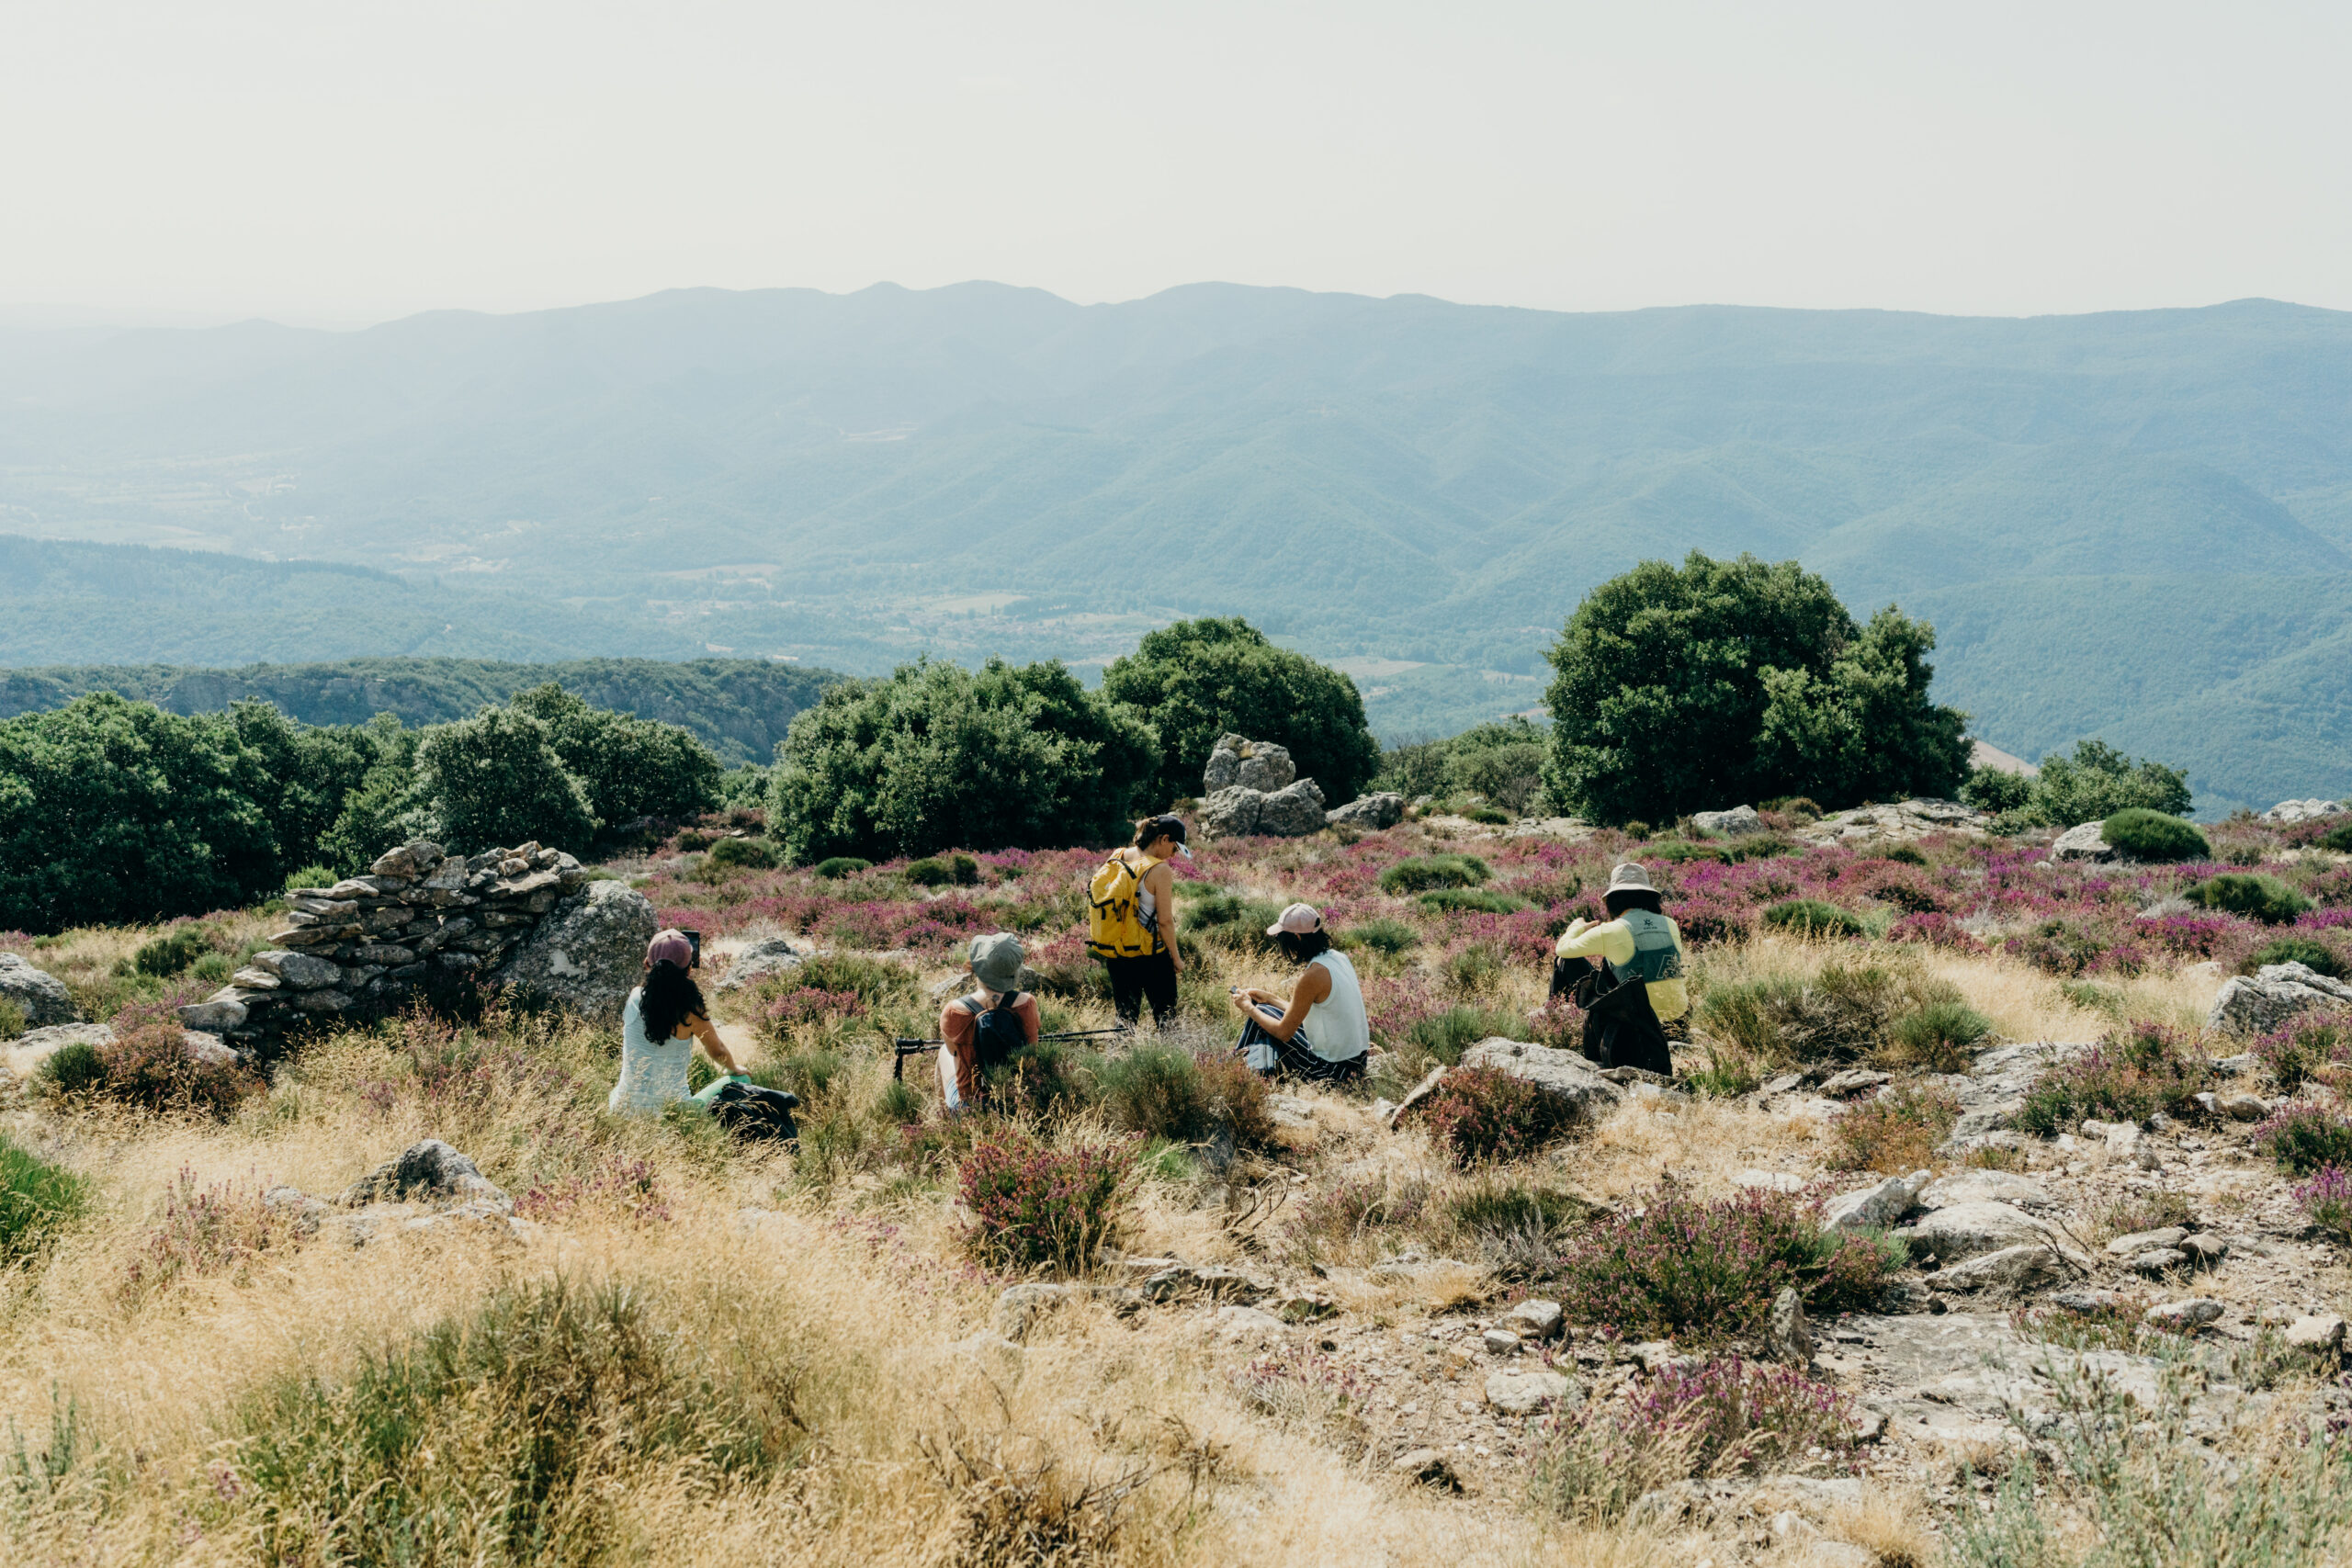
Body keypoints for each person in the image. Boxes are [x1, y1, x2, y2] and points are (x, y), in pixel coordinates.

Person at [1551, 862, 1687, 1076]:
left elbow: (1562, 949)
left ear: (1613, 900)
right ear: (1650, 897)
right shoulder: (1671, 924)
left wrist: (1576, 927)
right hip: (1676, 1020)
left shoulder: (1612, 930)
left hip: (1637, 1027)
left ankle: (1553, 1020)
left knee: (1564, 961)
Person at [610, 929, 744, 1117]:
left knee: (616, 1091)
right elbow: (718, 1051)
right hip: (672, 1115)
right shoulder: (690, 1009)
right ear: (689, 968)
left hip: (623, 1110)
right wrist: (734, 1068)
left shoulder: (634, 997)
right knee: (743, 1079)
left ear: (647, 964)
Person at [1230, 903, 1369, 1082]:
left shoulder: (1312, 976)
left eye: (1280, 938)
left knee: (1260, 1016)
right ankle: (1247, 1069)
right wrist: (1270, 998)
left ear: (1297, 937)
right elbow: (1303, 1013)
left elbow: (1284, 1032)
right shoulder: (1338, 958)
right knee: (1264, 1009)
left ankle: (1233, 1069)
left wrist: (1248, 1008)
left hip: (1333, 1073)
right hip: (1355, 1065)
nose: (1280, 945)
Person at [1087, 814, 1191, 1028]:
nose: (1173, 855)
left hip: (1118, 953)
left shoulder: (1119, 854)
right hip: (1151, 955)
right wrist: (1176, 958)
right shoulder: (1160, 869)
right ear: (1164, 839)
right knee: (1167, 1019)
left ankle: (1121, 1050)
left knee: (1125, 1019)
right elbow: (1165, 921)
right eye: (1174, 848)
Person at [940, 931, 1041, 1112]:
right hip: (1019, 1102)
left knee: (943, 1052)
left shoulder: (954, 1011)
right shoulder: (1027, 1003)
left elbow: (953, 1051)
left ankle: (949, 1116)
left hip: (973, 1106)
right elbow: (1033, 1052)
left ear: (979, 966)